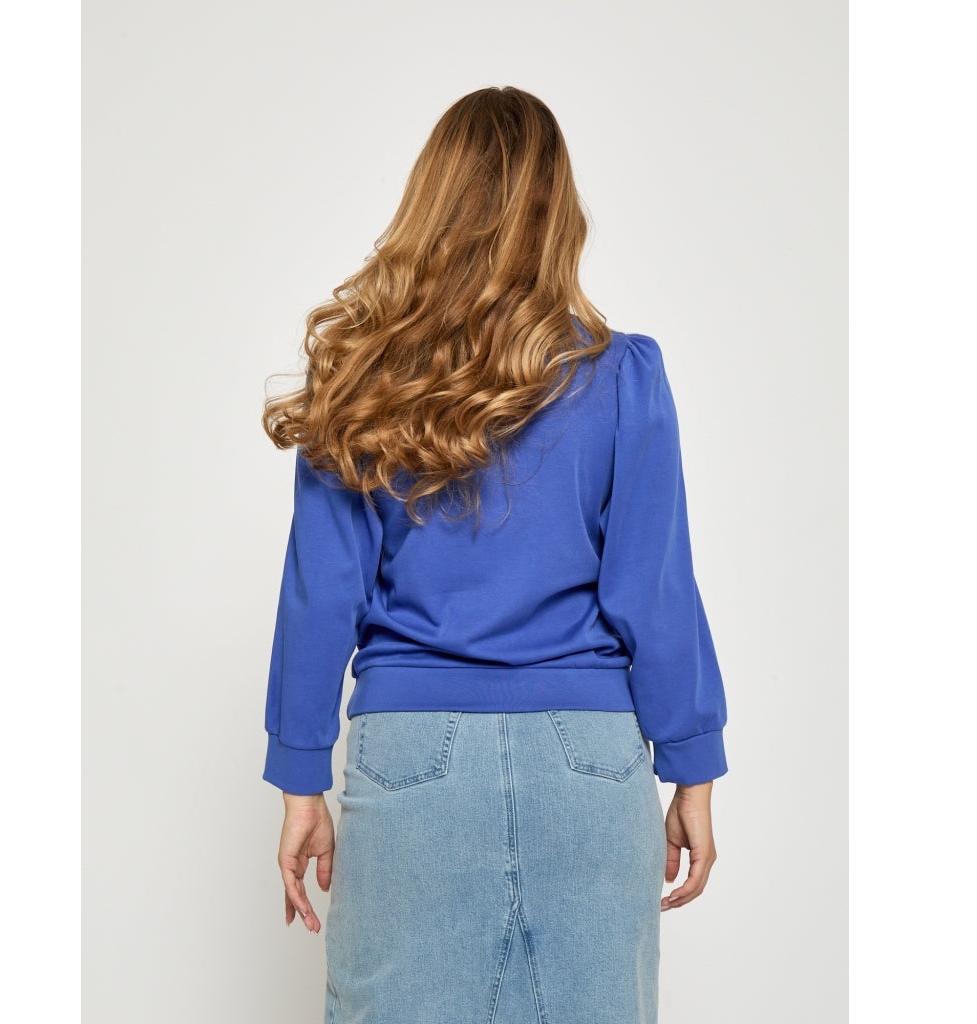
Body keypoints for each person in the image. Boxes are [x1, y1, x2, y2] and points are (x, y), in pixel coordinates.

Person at [260, 86, 728, 1024]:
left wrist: (301, 777)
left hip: (411, 762)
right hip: (589, 766)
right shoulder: (623, 376)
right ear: (561, 213)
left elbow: (323, 593)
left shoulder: (362, 378)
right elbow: (654, 588)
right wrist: (693, 764)